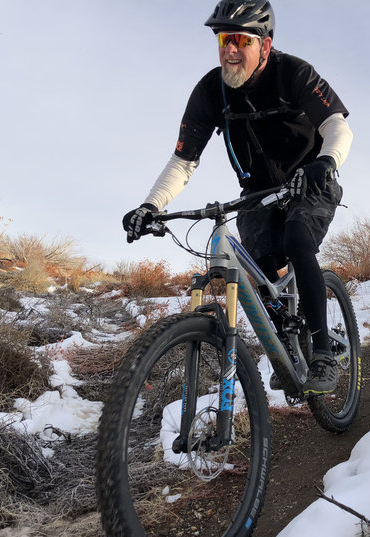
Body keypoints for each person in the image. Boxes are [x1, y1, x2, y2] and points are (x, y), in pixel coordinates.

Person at [122, 0, 353, 395]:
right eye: (222, 39)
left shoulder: (293, 73)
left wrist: (326, 161)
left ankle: (321, 353)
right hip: (258, 194)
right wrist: (150, 206)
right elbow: (183, 160)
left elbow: (337, 125)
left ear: (264, 44)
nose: (229, 50)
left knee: (298, 239)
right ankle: (285, 337)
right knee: (257, 268)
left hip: (310, 180)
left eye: (239, 40)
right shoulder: (212, 90)